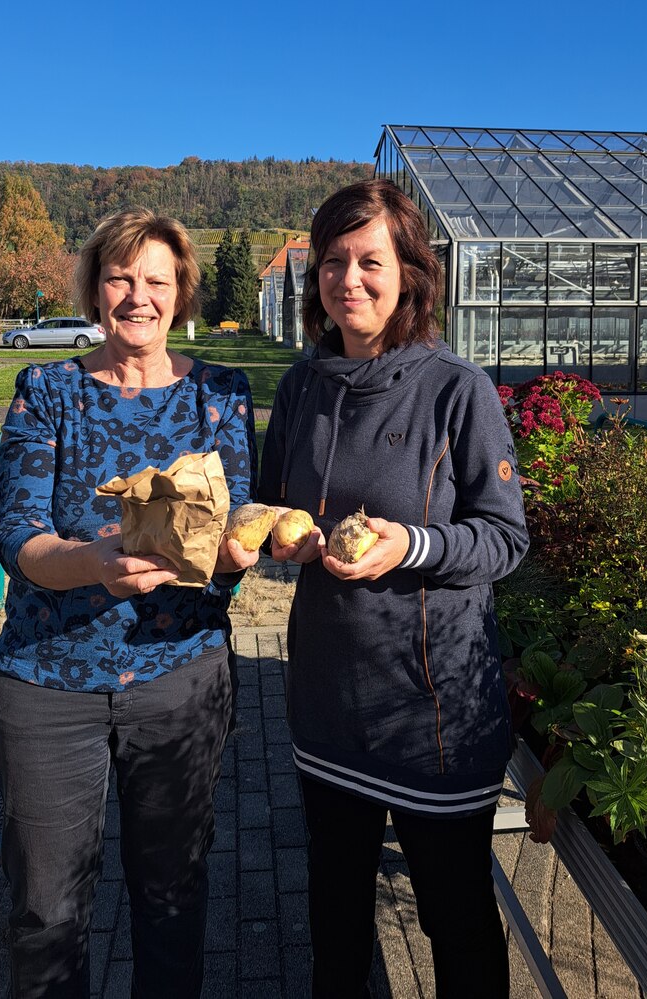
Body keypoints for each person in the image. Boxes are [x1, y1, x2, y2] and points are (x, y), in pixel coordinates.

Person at [259, 179, 529, 998]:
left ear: (410, 272)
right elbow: (272, 509)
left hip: (432, 719)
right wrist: (285, 538)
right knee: (335, 921)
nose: (349, 279)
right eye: (333, 261)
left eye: (370, 260)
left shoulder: (458, 389)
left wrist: (407, 545)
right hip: (329, 713)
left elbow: (505, 538)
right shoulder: (303, 387)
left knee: (456, 925)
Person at [0, 207, 261, 998]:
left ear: (182, 294)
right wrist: (90, 564)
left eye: (156, 280)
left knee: (172, 905)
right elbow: (16, 534)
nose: (137, 296)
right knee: (45, 912)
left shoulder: (221, 394)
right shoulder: (48, 390)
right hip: (48, 680)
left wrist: (240, 558)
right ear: (94, 289)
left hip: (179, 680)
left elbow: (235, 523)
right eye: (119, 277)